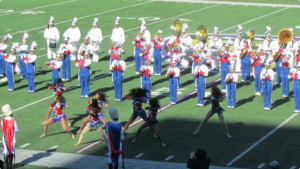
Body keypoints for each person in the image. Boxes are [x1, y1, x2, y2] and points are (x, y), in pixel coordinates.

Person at [1, 104, 19, 169]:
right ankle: (10, 165)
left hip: (5, 137)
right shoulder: (13, 120)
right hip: (12, 138)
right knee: (12, 150)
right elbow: (16, 129)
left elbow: (2, 127)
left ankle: (5, 163)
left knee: (6, 150)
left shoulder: (2, 120)